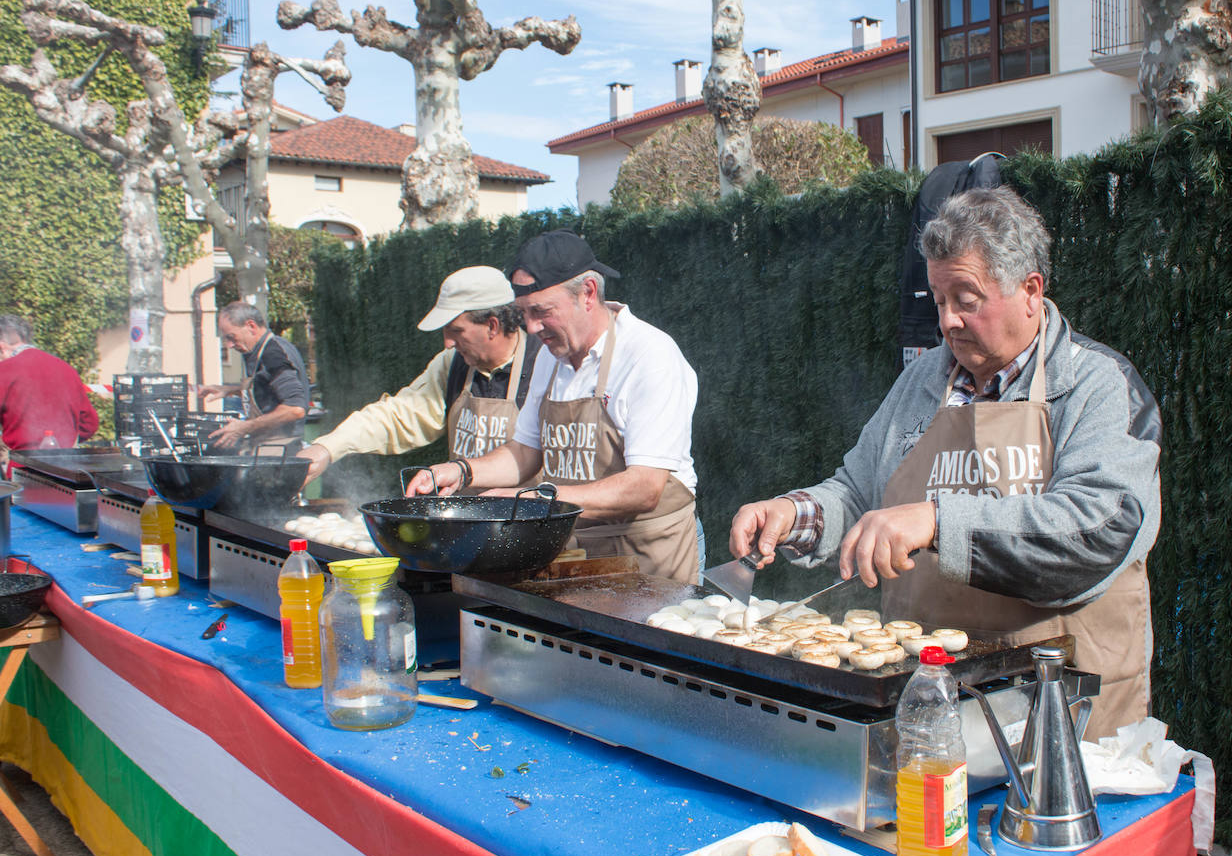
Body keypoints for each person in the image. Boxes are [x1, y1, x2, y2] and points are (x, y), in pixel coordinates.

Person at [728, 187, 1161, 741]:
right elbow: (860, 492)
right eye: (938, 299)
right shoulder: (924, 380)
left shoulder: (1098, 384)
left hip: (1061, 702)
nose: (948, 321)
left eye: (967, 298)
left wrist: (936, 521)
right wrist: (795, 514)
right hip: (927, 693)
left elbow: (1100, 527)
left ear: (1031, 292)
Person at [407, 230, 701, 584]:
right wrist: (460, 471)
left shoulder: (648, 355)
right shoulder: (551, 356)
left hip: (650, 559)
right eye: (523, 313)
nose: (531, 328)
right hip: (576, 554)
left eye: (542, 312)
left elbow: (645, 487)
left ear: (588, 293)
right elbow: (525, 452)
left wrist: (534, 500)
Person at [296, 266, 537, 485]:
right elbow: (400, 415)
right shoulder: (451, 364)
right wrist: (328, 448)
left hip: (530, 525)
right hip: (467, 520)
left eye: (456, 331)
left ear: (492, 326)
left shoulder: (542, 365)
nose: (448, 343)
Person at [198, 302, 310, 451]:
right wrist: (228, 390)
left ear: (251, 326)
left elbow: (295, 408)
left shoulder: (274, 354)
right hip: (266, 446)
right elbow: (268, 389)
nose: (229, 345)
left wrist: (244, 427)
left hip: (281, 449)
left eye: (231, 337)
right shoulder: (261, 351)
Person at [0, 313, 98, 464]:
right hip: (66, 467)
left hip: (23, 466)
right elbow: (89, 424)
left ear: (2, 347)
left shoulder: (5, 370)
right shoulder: (65, 368)